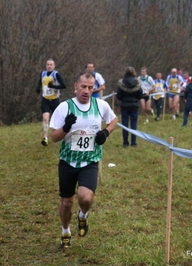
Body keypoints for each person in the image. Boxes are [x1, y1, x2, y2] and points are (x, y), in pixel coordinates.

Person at [50, 70, 118, 248]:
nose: (86, 91)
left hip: (90, 160)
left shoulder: (100, 105)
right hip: (67, 161)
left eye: (90, 87)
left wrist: (105, 132)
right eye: (83, 87)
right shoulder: (64, 107)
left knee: (85, 198)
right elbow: (54, 138)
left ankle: (83, 215)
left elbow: (114, 120)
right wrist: (65, 127)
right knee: (66, 203)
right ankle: (65, 231)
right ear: (75, 87)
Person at [36, 59, 66, 146]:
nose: (49, 66)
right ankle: (45, 138)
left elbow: (64, 85)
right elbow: (39, 83)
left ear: (54, 66)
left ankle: (61, 136)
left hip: (55, 100)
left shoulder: (56, 74)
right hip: (45, 100)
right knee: (45, 118)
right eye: (48, 64)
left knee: (59, 120)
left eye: (51, 65)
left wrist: (53, 86)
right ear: (46, 65)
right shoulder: (43, 74)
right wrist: (38, 88)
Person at [116, 67, 143, 147]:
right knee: (134, 124)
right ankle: (134, 143)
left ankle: (125, 142)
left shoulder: (122, 83)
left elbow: (119, 96)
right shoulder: (137, 83)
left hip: (124, 106)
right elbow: (140, 95)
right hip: (134, 106)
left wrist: (123, 98)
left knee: (125, 124)